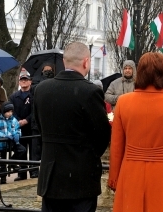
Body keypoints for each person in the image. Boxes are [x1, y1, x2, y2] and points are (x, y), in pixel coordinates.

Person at [107, 52, 163, 211]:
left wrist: (114, 180)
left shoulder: (123, 102)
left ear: (139, 72)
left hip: (130, 174)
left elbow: (116, 147)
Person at [33, 42, 111, 212]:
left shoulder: (41, 89)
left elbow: (40, 127)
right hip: (81, 176)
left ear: (63, 60)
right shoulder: (90, 92)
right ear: (86, 62)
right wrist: (86, 154)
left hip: (51, 175)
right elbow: (102, 134)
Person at [9, 70, 36, 180]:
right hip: (19, 127)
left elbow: (36, 110)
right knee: (21, 150)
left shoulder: (34, 95)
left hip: (31, 126)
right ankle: (22, 173)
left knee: (34, 151)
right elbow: (11, 110)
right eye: (22, 80)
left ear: (30, 82)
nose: (24, 82)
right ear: (19, 82)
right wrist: (18, 121)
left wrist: (27, 120)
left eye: (26, 80)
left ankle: (34, 171)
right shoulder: (14, 96)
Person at [0, 102, 23, 184]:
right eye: (8, 111)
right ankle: (3, 179)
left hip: (12, 143)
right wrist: (5, 136)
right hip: (1, 144)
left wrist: (17, 134)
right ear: (3, 111)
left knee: (22, 150)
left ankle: (12, 162)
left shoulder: (14, 120)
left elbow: (18, 129)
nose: (10, 113)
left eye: (11, 111)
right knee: (2, 162)